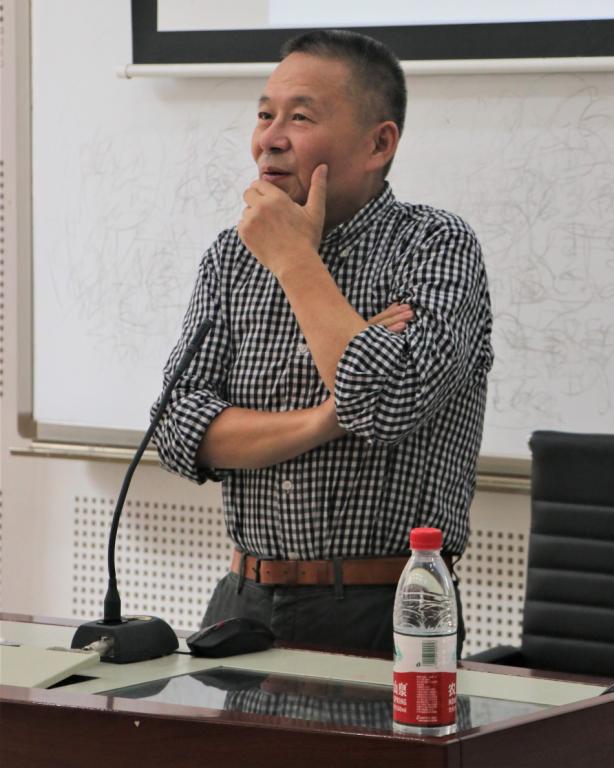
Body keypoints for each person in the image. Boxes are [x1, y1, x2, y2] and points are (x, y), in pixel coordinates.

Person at [152, 29, 493, 655]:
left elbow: (384, 404)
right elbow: (177, 430)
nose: (270, 138)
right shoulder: (231, 255)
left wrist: (295, 262)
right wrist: (325, 418)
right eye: (265, 115)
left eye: (300, 117)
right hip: (242, 601)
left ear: (378, 143)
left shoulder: (436, 245)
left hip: (386, 606)